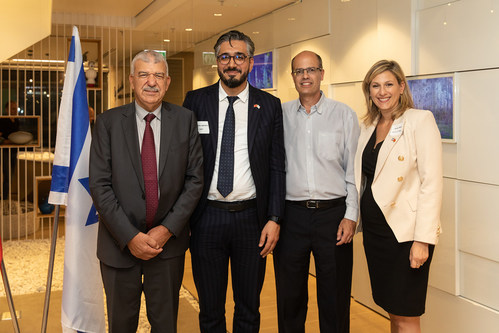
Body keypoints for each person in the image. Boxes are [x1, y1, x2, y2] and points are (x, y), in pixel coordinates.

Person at [89, 50, 203, 333]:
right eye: (144, 75)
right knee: (121, 325)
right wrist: (130, 237)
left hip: (167, 248)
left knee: (165, 325)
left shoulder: (186, 120)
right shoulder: (108, 123)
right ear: (131, 80)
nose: (151, 82)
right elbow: (100, 185)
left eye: (158, 76)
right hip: (119, 247)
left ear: (167, 82)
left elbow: (194, 181)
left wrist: (166, 230)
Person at [183, 30, 285, 333]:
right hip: (206, 219)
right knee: (210, 309)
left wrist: (275, 218)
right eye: (225, 57)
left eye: (239, 56)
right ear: (217, 62)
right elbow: (184, 162)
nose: (232, 63)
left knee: (249, 310)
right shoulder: (195, 101)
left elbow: (277, 166)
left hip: (252, 222)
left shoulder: (269, 105)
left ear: (250, 62)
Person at [273, 50, 360, 333]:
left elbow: (354, 172)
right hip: (291, 217)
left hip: (334, 217)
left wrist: (351, 216)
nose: (305, 76)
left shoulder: (344, 115)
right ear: (293, 77)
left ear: (322, 74)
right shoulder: (280, 115)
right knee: (290, 297)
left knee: (334, 297)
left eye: (311, 70)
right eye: (299, 71)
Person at [355, 59, 442, 333]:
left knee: (406, 314)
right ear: (368, 91)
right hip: (376, 233)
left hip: (405, 236)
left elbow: (432, 183)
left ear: (401, 86)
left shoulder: (420, 120)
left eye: (389, 84)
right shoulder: (368, 126)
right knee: (392, 309)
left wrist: (423, 241)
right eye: (375, 86)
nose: (382, 92)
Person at [0, 101, 19, 198]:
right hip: (5, 151)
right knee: (7, 176)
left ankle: (5, 196)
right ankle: (4, 197)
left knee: (11, 176)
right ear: (6, 110)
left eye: (16, 108)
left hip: (14, 151)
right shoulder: (3, 120)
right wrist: (6, 141)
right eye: (13, 109)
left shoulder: (16, 121)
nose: (15, 111)